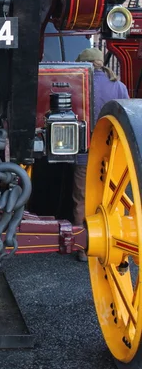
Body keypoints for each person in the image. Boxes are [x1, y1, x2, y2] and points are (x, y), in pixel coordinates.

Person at [73, 47, 129, 261]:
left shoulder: (77, 85)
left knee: (81, 197)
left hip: (84, 151)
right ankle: (114, 240)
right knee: (112, 198)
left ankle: (82, 246)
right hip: (110, 152)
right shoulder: (119, 86)